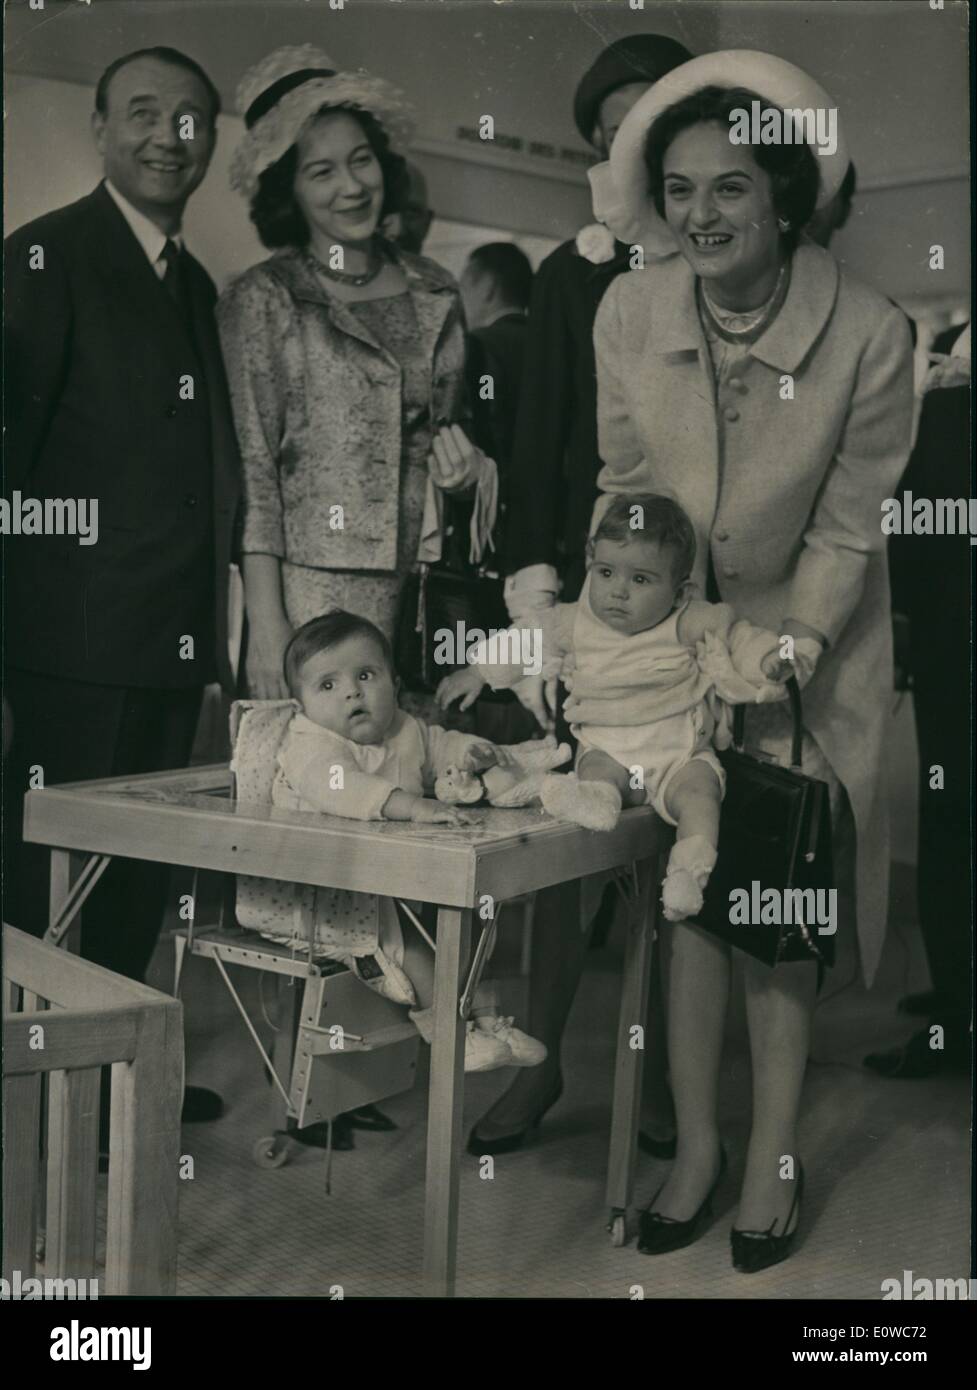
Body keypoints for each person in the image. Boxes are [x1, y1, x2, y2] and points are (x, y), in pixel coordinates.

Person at [592, 51, 913, 1268]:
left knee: (773, 907)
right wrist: (617, 630)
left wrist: (779, 649)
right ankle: (694, 1147)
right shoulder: (627, 311)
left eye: (731, 188)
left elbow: (845, 524)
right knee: (689, 910)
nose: (702, 216)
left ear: (783, 192)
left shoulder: (871, 331)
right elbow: (627, 489)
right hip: (678, 642)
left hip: (807, 650)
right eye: (678, 190)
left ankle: (771, 1157)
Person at [466, 31, 694, 1161]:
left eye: (644, 118)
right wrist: (536, 593)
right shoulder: (570, 274)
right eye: (607, 129)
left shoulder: (729, 253)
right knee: (565, 844)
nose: (626, 143)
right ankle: (541, 1058)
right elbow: (543, 431)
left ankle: (657, 1085)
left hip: (701, 602)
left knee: (680, 854)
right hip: (592, 600)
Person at [3, 46, 241, 1124]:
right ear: (99, 127)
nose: (167, 135)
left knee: (135, 879)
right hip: (62, 653)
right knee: (40, 890)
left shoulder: (193, 284)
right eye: (143, 112)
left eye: (190, 119)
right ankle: (32, 1111)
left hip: (164, 650)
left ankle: (101, 1096)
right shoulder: (43, 257)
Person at [217, 45, 494, 698]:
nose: (350, 186)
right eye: (320, 171)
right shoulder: (262, 297)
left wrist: (464, 477)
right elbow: (254, 472)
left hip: (416, 587)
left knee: (394, 769)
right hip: (303, 590)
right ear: (288, 188)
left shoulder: (435, 291)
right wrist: (268, 624)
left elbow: (452, 440)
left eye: (360, 160)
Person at [441, 493, 793, 912]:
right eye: (606, 572)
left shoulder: (688, 621)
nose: (618, 592)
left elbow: (738, 638)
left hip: (678, 756)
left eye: (641, 580)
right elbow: (526, 641)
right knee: (597, 770)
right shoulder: (575, 621)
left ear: (681, 591)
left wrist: (768, 658)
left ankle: (685, 877)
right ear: (591, 561)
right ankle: (597, 799)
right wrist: (479, 671)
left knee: (702, 796)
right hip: (612, 750)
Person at [269, 609, 548, 1073]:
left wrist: (470, 754)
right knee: (418, 952)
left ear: (394, 684)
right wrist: (412, 805)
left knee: (469, 928)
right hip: (329, 891)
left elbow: (440, 747)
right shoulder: (310, 743)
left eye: (365, 675)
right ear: (300, 705)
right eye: (328, 685)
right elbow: (338, 787)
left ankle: (489, 1020)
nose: (352, 692)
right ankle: (451, 1036)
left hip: (397, 879)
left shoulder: (404, 727)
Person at [866, 321, 972, 1078]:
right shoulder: (949, 352)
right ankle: (955, 997)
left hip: (951, 635)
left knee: (956, 817)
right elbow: (915, 502)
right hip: (943, 637)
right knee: (948, 816)